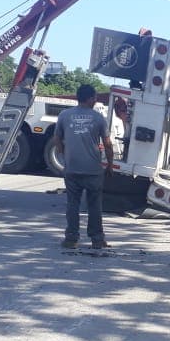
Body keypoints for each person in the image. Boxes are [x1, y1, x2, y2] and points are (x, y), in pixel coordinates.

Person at [54, 84, 115, 249]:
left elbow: (57, 139)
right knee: (94, 204)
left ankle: (71, 239)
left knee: (73, 204)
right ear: (90, 99)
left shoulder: (64, 115)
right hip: (93, 170)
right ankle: (97, 239)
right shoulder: (98, 118)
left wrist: (64, 156)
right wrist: (110, 164)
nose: (95, 100)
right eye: (94, 98)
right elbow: (107, 144)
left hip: (72, 169)